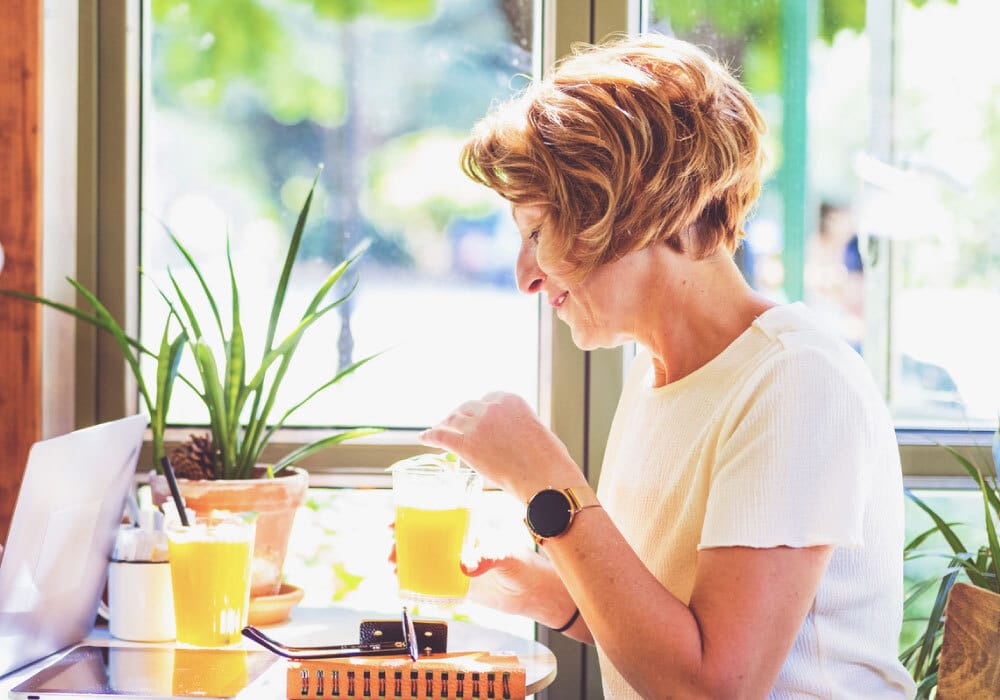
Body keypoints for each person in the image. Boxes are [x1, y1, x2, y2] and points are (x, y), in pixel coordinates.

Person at [418, 34, 916, 699]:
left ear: (634, 207)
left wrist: (545, 484)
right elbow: (675, 636)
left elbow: (712, 688)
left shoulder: (794, 382)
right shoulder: (659, 372)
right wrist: (546, 595)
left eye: (536, 231)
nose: (524, 277)